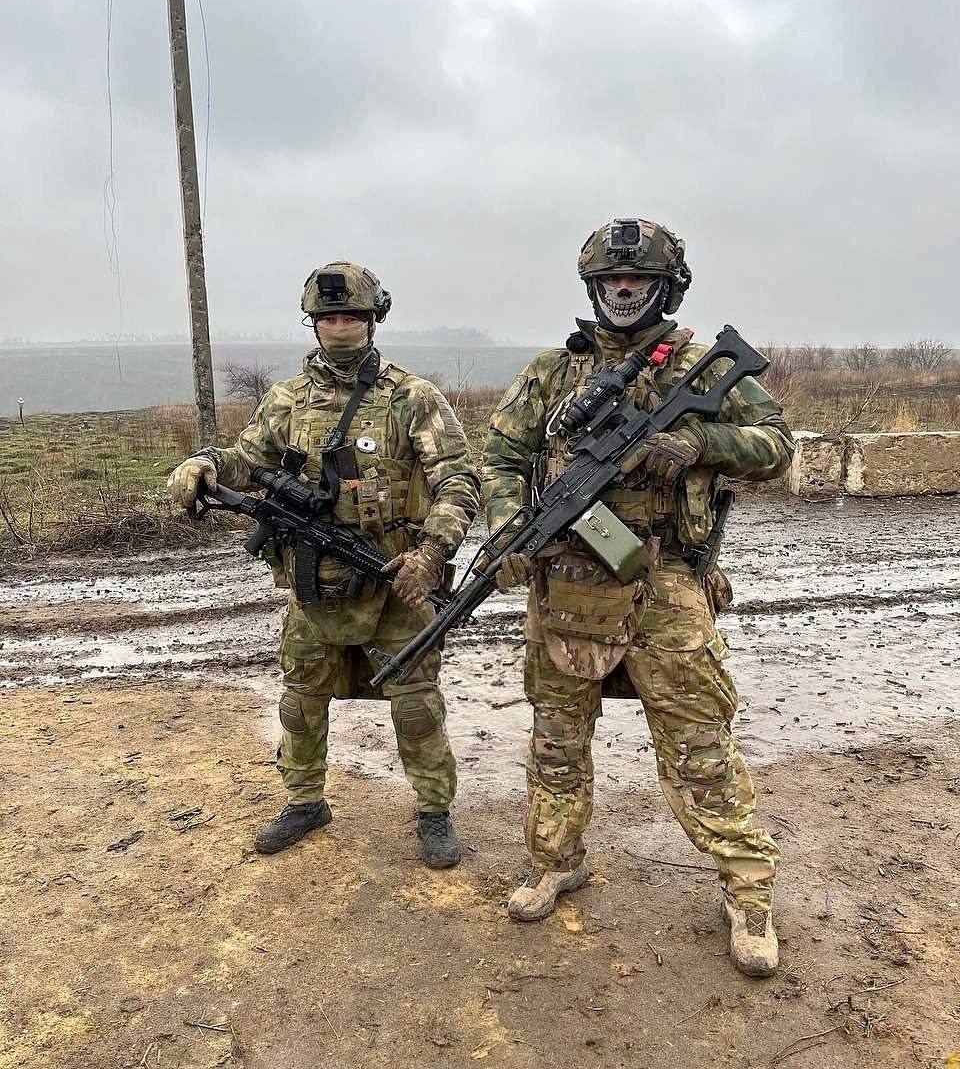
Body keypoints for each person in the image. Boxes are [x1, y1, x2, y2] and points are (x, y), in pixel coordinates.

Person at [481, 218, 794, 975]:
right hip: (566, 581)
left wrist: (702, 443)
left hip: (668, 582)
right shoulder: (553, 373)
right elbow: (501, 455)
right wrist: (506, 530)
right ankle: (556, 861)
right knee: (556, 739)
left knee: (700, 746)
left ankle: (748, 892)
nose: (623, 292)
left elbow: (777, 444)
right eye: (612, 281)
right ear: (593, 287)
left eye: (639, 280)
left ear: (666, 287)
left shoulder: (695, 365)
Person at [168, 262, 480, 868]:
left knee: (416, 703)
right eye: (329, 317)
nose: (340, 328)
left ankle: (434, 810)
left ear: (373, 319)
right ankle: (305, 802)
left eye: (352, 317)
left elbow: (459, 480)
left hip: (395, 577)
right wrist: (205, 463)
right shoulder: (287, 400)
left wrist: (433, 552)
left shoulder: (412, 397)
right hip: (314, 584)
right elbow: (247, 460)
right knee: (300, 700)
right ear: (313, 323)